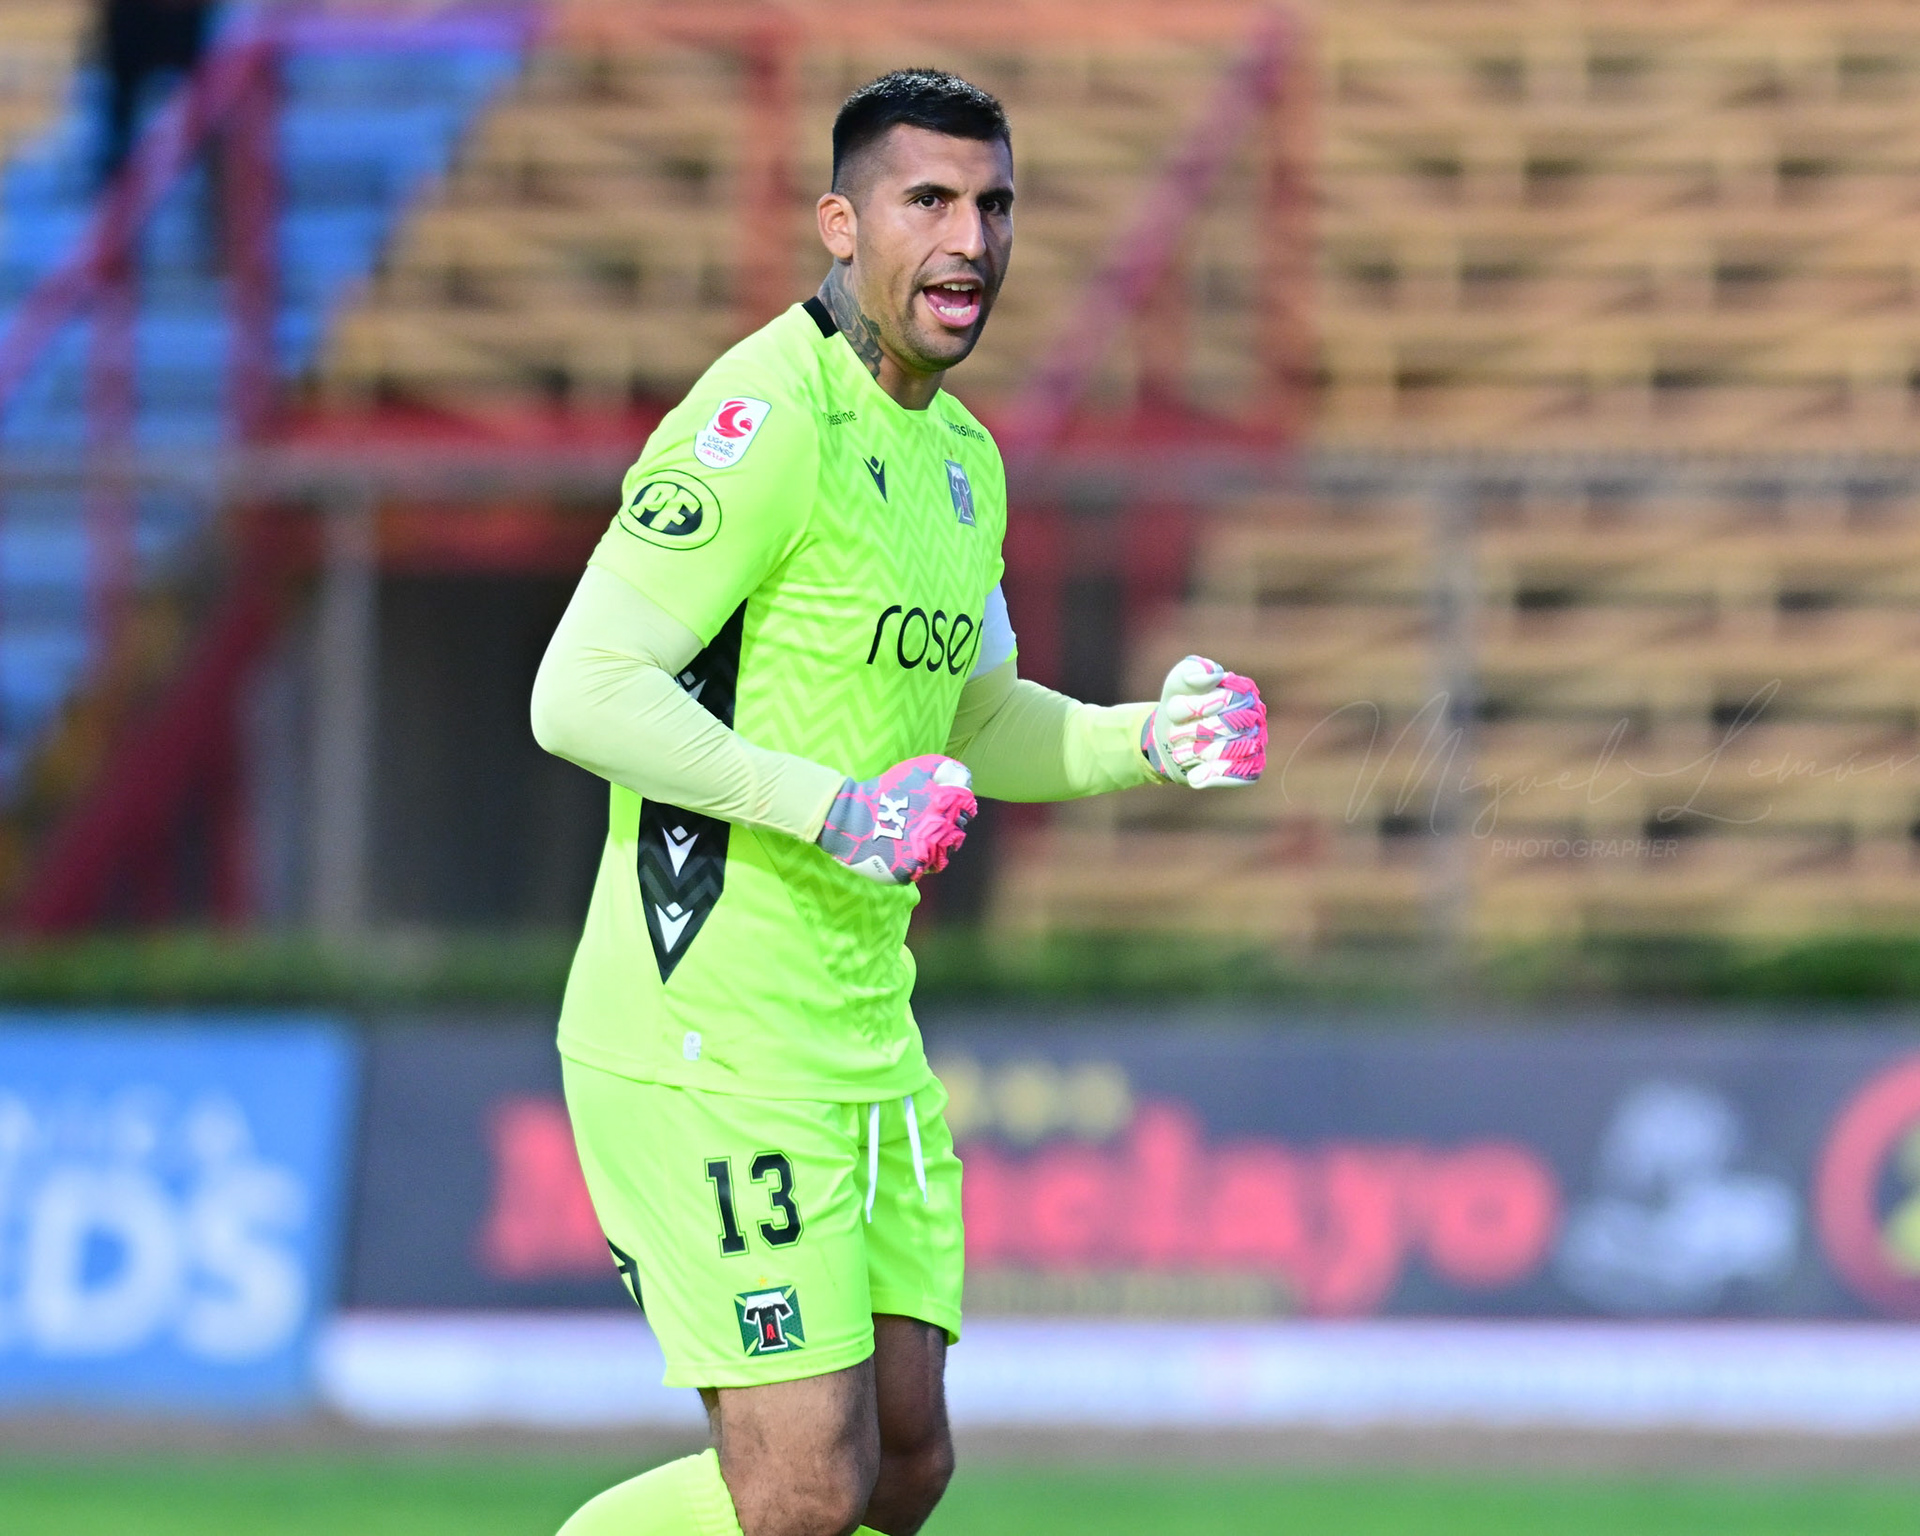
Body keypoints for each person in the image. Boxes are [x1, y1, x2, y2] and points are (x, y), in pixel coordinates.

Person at [530, 69, 1267, 1536]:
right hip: (709, 1032)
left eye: (994, 205)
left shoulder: (964, 461)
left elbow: (975, 712)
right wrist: (831, 809)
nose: (971, 239)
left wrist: (1147, 743)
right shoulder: (764, 413)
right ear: (840, 222)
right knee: (802, 1493)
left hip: (864, 1028)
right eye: (928, 201)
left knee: (906, 1470)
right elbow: (581, 691)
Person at [97, 0, 217, 185]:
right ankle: (119, 183)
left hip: (185, 17)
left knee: (204, 101)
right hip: (134, 17)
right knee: (122, 104)